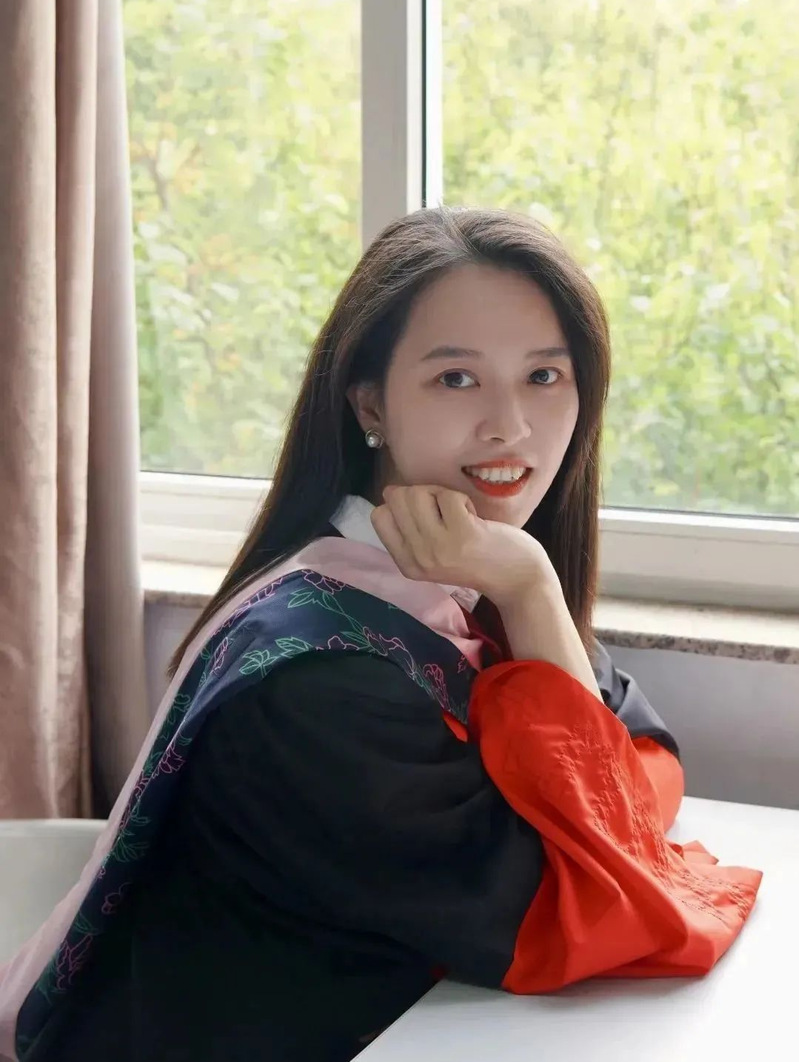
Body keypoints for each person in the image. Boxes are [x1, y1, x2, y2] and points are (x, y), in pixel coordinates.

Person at [0, 208, 762, 1062]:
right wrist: (528, 596)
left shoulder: (477, 577)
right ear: (370, 403)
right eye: (456, 379)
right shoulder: (314, 680)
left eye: (544, 376)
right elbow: (577, 905)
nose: (510, 425)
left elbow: (643, 776)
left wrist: (531, 590)